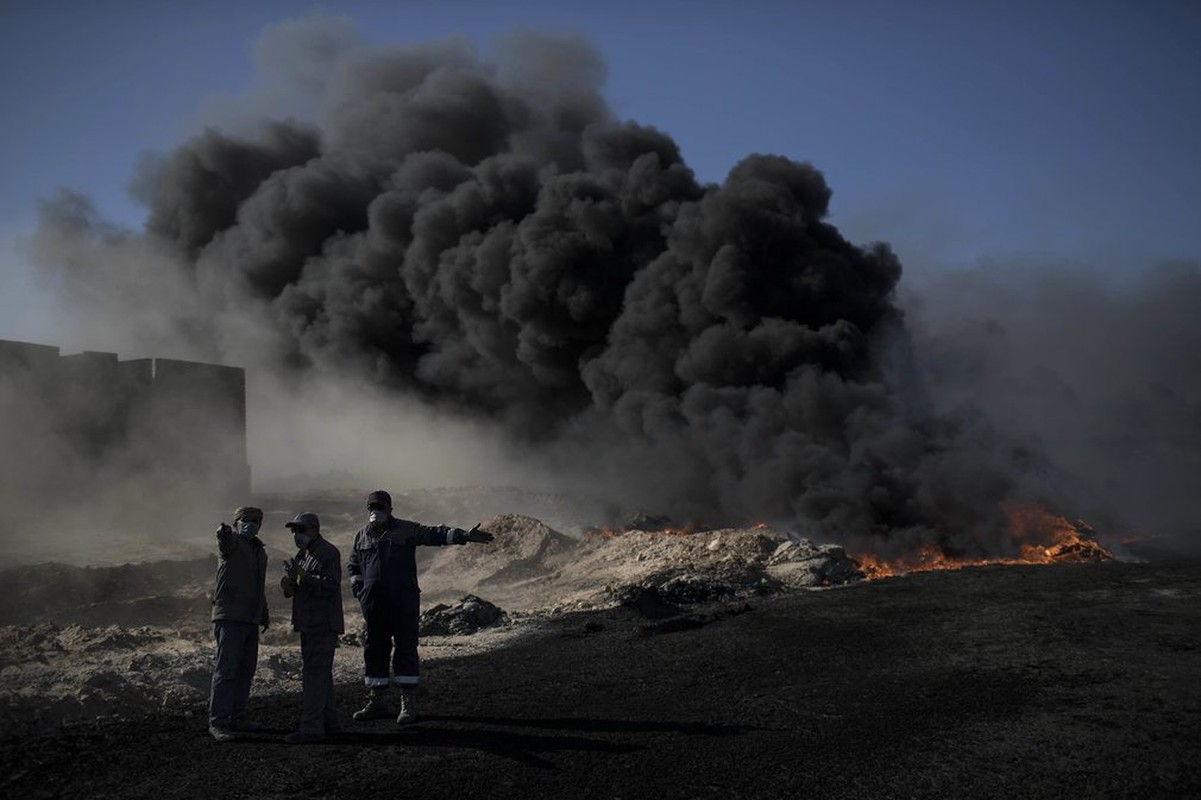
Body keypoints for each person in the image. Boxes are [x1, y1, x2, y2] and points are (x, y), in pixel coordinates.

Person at [347, 490, 494, 725]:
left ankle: (408, 702)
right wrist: (359, 590)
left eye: (381, 507)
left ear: (390, 509)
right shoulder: (361, 536)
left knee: (405, 648)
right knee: (375, 650)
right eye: (372, 507)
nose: (376, 511)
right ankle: (377, 700)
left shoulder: (406, 530)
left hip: (403, 603)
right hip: (374, 605)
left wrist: (464, 535)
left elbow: (434, 534)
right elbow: (354, 564)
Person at [280, 511, 345, 744]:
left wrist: (305, 577)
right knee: (320, 674)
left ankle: (311, 729)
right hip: (309, 622)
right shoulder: (302, 555)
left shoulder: (328, 553)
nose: (297, 535)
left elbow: (330, 586)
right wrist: (290, 583)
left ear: (315, 529)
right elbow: (299, 587)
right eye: (294, 531)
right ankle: (329, 722)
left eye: (301, 530)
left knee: (314, 675)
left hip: (322, 623)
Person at [208, 505, 269, 742]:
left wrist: (263, 612)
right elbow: (224, 543)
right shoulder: (232, 543)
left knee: (245, 670)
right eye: (246, 520)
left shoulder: (258, 551)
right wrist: (223, 532)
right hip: (230, 616)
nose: (251, 524)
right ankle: (219, 722)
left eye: (256, 521)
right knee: (227, 670)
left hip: (250, 618)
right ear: (236, 523)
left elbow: (258, 584)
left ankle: (237, 715)